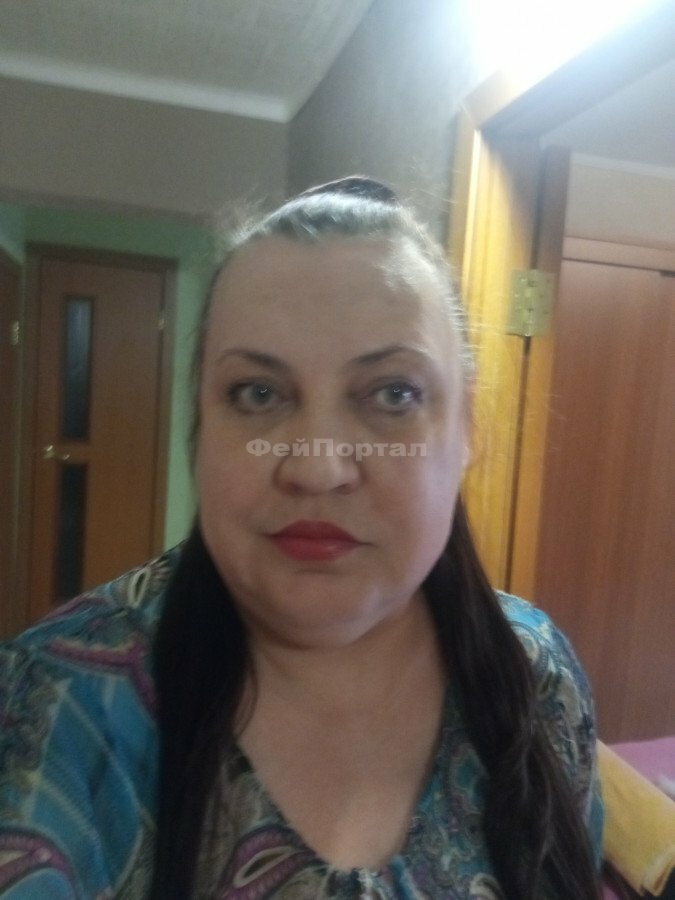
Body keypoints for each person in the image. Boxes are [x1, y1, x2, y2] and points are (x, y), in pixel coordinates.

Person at [0, 178, 603, 899]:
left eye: (393, 394)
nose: (317, 468)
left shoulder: (536, 674)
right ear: (201, 425)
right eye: (258, 393)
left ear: (465, 427)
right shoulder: (53, 704)